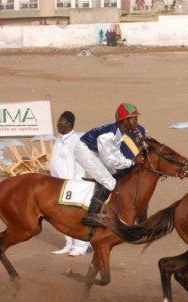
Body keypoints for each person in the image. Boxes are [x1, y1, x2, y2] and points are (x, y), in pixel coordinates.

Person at [74, 103, 146, 227]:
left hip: (96, 152)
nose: (136, 121)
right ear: (125, 120)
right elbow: (109, 160)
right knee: (109, 182)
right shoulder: (108, 135)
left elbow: (116, 155)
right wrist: (132, 162)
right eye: (133, 118)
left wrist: (129, 162)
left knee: (115, 174)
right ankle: (91, 216)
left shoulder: (120, 132)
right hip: (84, 151)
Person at [49, 111, 90, 256]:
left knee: (75, 216)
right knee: (62, 216)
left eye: (61, 122)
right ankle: (68, 243)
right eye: (58, 122)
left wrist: (74, 185)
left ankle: (81, 246)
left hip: (72, 185)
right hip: (58, 184)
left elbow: (78, 165)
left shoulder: (76, 141)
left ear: (70, 125)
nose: (58, 124)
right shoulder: (58, 140)